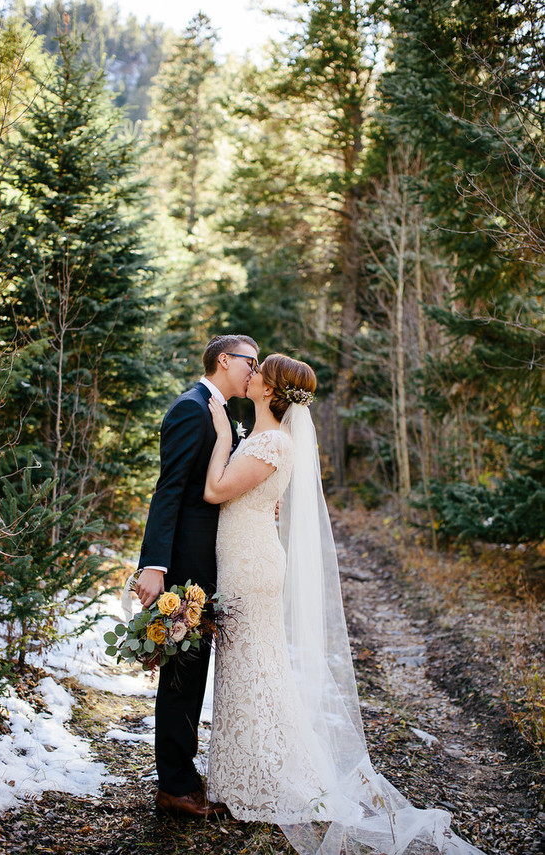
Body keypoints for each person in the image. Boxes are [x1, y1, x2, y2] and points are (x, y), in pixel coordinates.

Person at [203, 354, 486, 855]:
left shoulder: (269, 440)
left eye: (259, 372)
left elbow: (215, 489)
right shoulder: (270, 439)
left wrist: (223, 436)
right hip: (246, 557)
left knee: (252, 666)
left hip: (249, 565)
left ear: (270, 391)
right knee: (249, 664)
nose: (252, 375)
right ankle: (246, 773)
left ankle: (262, 779)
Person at [134, 333, 259, 820]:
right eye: (250, 361)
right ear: (224, 360)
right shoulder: (191, 408)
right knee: (183, 673)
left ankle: (181, 776)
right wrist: (155, 565)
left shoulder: (222, 410)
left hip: (210, 560)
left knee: (194, 669)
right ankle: (176, 787)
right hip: (187, 564)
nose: (255, 370)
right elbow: (169, 490)